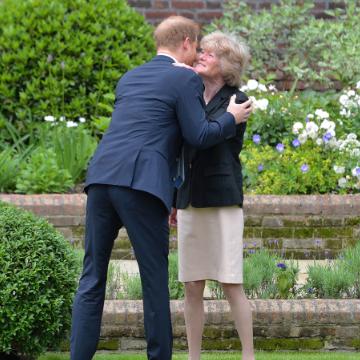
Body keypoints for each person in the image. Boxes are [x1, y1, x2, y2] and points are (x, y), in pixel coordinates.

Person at [70, 16, 253, 360]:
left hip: (100, 178)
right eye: (197, 46)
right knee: (154, 281)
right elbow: (197, 135)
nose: (198, 53)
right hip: (141, 184)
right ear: (185, 42)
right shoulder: (183, 79)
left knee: (92, 277)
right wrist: (230, 118)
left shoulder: (130, 77)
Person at [173, 32, 255, 360]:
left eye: (211, 53)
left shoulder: (239, 100)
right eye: (202, 52)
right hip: (190, 199)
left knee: (231, 282)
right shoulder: (189, 95)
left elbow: (205, 137)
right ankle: (194, 357)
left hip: (223, 201)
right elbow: (182, 147)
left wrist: (227, 118)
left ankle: (248, 355)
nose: (201, 56)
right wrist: (173, 197)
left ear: (227, 65)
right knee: (192, 285)